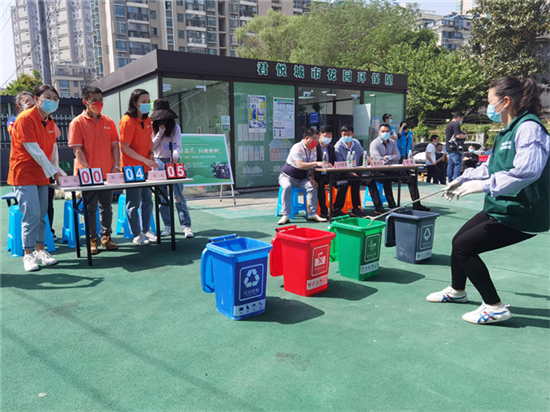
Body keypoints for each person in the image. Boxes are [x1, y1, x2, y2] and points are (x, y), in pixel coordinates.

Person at [427, 76, 549, 325]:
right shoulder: (507, 130)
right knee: (457, 241)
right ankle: (457, 291)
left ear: (505, 101)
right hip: (503, 205)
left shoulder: (529, 128)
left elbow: (527, 172)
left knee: (465, 247)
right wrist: (462, 179)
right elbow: (492, 166)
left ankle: (494, 306)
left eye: (489, 101)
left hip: (523, 211)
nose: (489, 106)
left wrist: (482, 186)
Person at [7, 85, 66, 271]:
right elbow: (34, 150)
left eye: (55, 99)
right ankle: (28, 254)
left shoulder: (49, 120)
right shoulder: (25, 118)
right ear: (37, 98)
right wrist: (53, 171)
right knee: (31, 214)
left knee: (42, 214)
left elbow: (53, 148)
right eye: (47, 97)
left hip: (43, 174)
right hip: (24, 174)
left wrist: (56, 170)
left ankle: (41, 251)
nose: (52, 102)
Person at [68, 86, 120, 255]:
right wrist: (88, 170)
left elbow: (115, 146)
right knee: (90, 209)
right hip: (87, 175)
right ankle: (92, 239)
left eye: (100, 99)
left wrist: (116, 166)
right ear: (85, 102)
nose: (98, 103)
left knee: (107, 207)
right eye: (94, 100)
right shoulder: (77, 122)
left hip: (107, 175)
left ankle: (106, 237)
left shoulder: (109, 122)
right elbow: (77, 149)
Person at [119, 89, 158, 246]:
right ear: (135, 103)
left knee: (148, 200)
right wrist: (143, 159)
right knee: (134, 202)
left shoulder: (147, 120)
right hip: (132, 168)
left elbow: (149, 140)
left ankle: (145, 230)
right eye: (143, 101)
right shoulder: (127, 121)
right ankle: (136, 233)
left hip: (146, 167)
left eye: (149, 101)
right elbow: (125, 147)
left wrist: (151, 154)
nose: (147, 104)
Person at [151, 99, 194, 238]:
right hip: (158, 162)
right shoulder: (152, 127)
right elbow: (152, 147)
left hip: (173, 162)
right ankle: (168, 225)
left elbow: (177, 144)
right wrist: (160, 132)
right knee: (162, 196)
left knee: (178, 195)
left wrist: (175, 157)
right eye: (159, 117)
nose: (162, 120)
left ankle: (186, 226)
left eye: (165, 117)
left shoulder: (175, 127)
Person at [370, 124, 431, 213]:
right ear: (379, 133)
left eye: (387, 131)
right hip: (378, 171)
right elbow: (378, 158)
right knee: (387, 180)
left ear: (390, 132)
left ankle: (417, 204)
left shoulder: (393, 142)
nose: (385, 133)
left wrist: (386, 157)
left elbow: (398, 156)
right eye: (383, 131)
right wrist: (391, 156)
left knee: (411, 179)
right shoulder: (374, 143)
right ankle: (392, 205)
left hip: (391, 169)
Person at [277, 128, 327, 225]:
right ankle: (285, 215)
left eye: (317, 139)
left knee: (312, 186)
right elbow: (300, 165)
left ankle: (312, 214)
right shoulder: (297, 147)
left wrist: (312, 178)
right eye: (314, 139)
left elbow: (312, 164)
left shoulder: (313, 148)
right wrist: (317, 163)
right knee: (287, 187)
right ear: (307, 138)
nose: (316, 142)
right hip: (287, 177)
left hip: (301, 179)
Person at [333, 124, 366, 217]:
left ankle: (356, 208)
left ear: (353, 134)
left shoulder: (356, 143)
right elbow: (339, 164)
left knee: (366, 179)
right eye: (344, 134)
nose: (346, 136)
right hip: (342, 173)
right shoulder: (338, 146)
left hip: (355, 170)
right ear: (341, 134)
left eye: (349, 134)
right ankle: (337, 208)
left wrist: (373, 161)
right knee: (350, 181)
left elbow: (364, 155)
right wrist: (350, 172)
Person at [314, 125, 336, 219]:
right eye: (326, 136)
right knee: (320, 185)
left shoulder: (331, 148)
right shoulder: (314, 147)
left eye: (330, 136)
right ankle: (324, 212)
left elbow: (334, 162)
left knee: (344, 183)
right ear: (320, 135)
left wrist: (331, 164)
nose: (328, 138)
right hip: (317, 175)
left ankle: (336, 209)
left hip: (328, 174)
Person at [445, 111, 468, 182]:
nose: (462, 120)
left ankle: (449, 179)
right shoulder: (455, 125)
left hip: (448, 147)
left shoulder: (449, 124)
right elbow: (457, 135)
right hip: (454, 148)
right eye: (462, 118)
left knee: (450, 164)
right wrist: (465, 136)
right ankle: (456, 180)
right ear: (458, 117)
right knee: (458, 164)